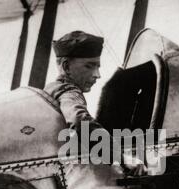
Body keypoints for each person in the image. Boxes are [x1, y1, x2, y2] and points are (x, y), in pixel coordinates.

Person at [44, 30, 146, 175]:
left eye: (98, 67)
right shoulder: (67, 91)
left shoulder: (51, 89)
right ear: (66, 67)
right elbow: (79, 121)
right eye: (89, 66)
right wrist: (122, 158)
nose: (97, 75)